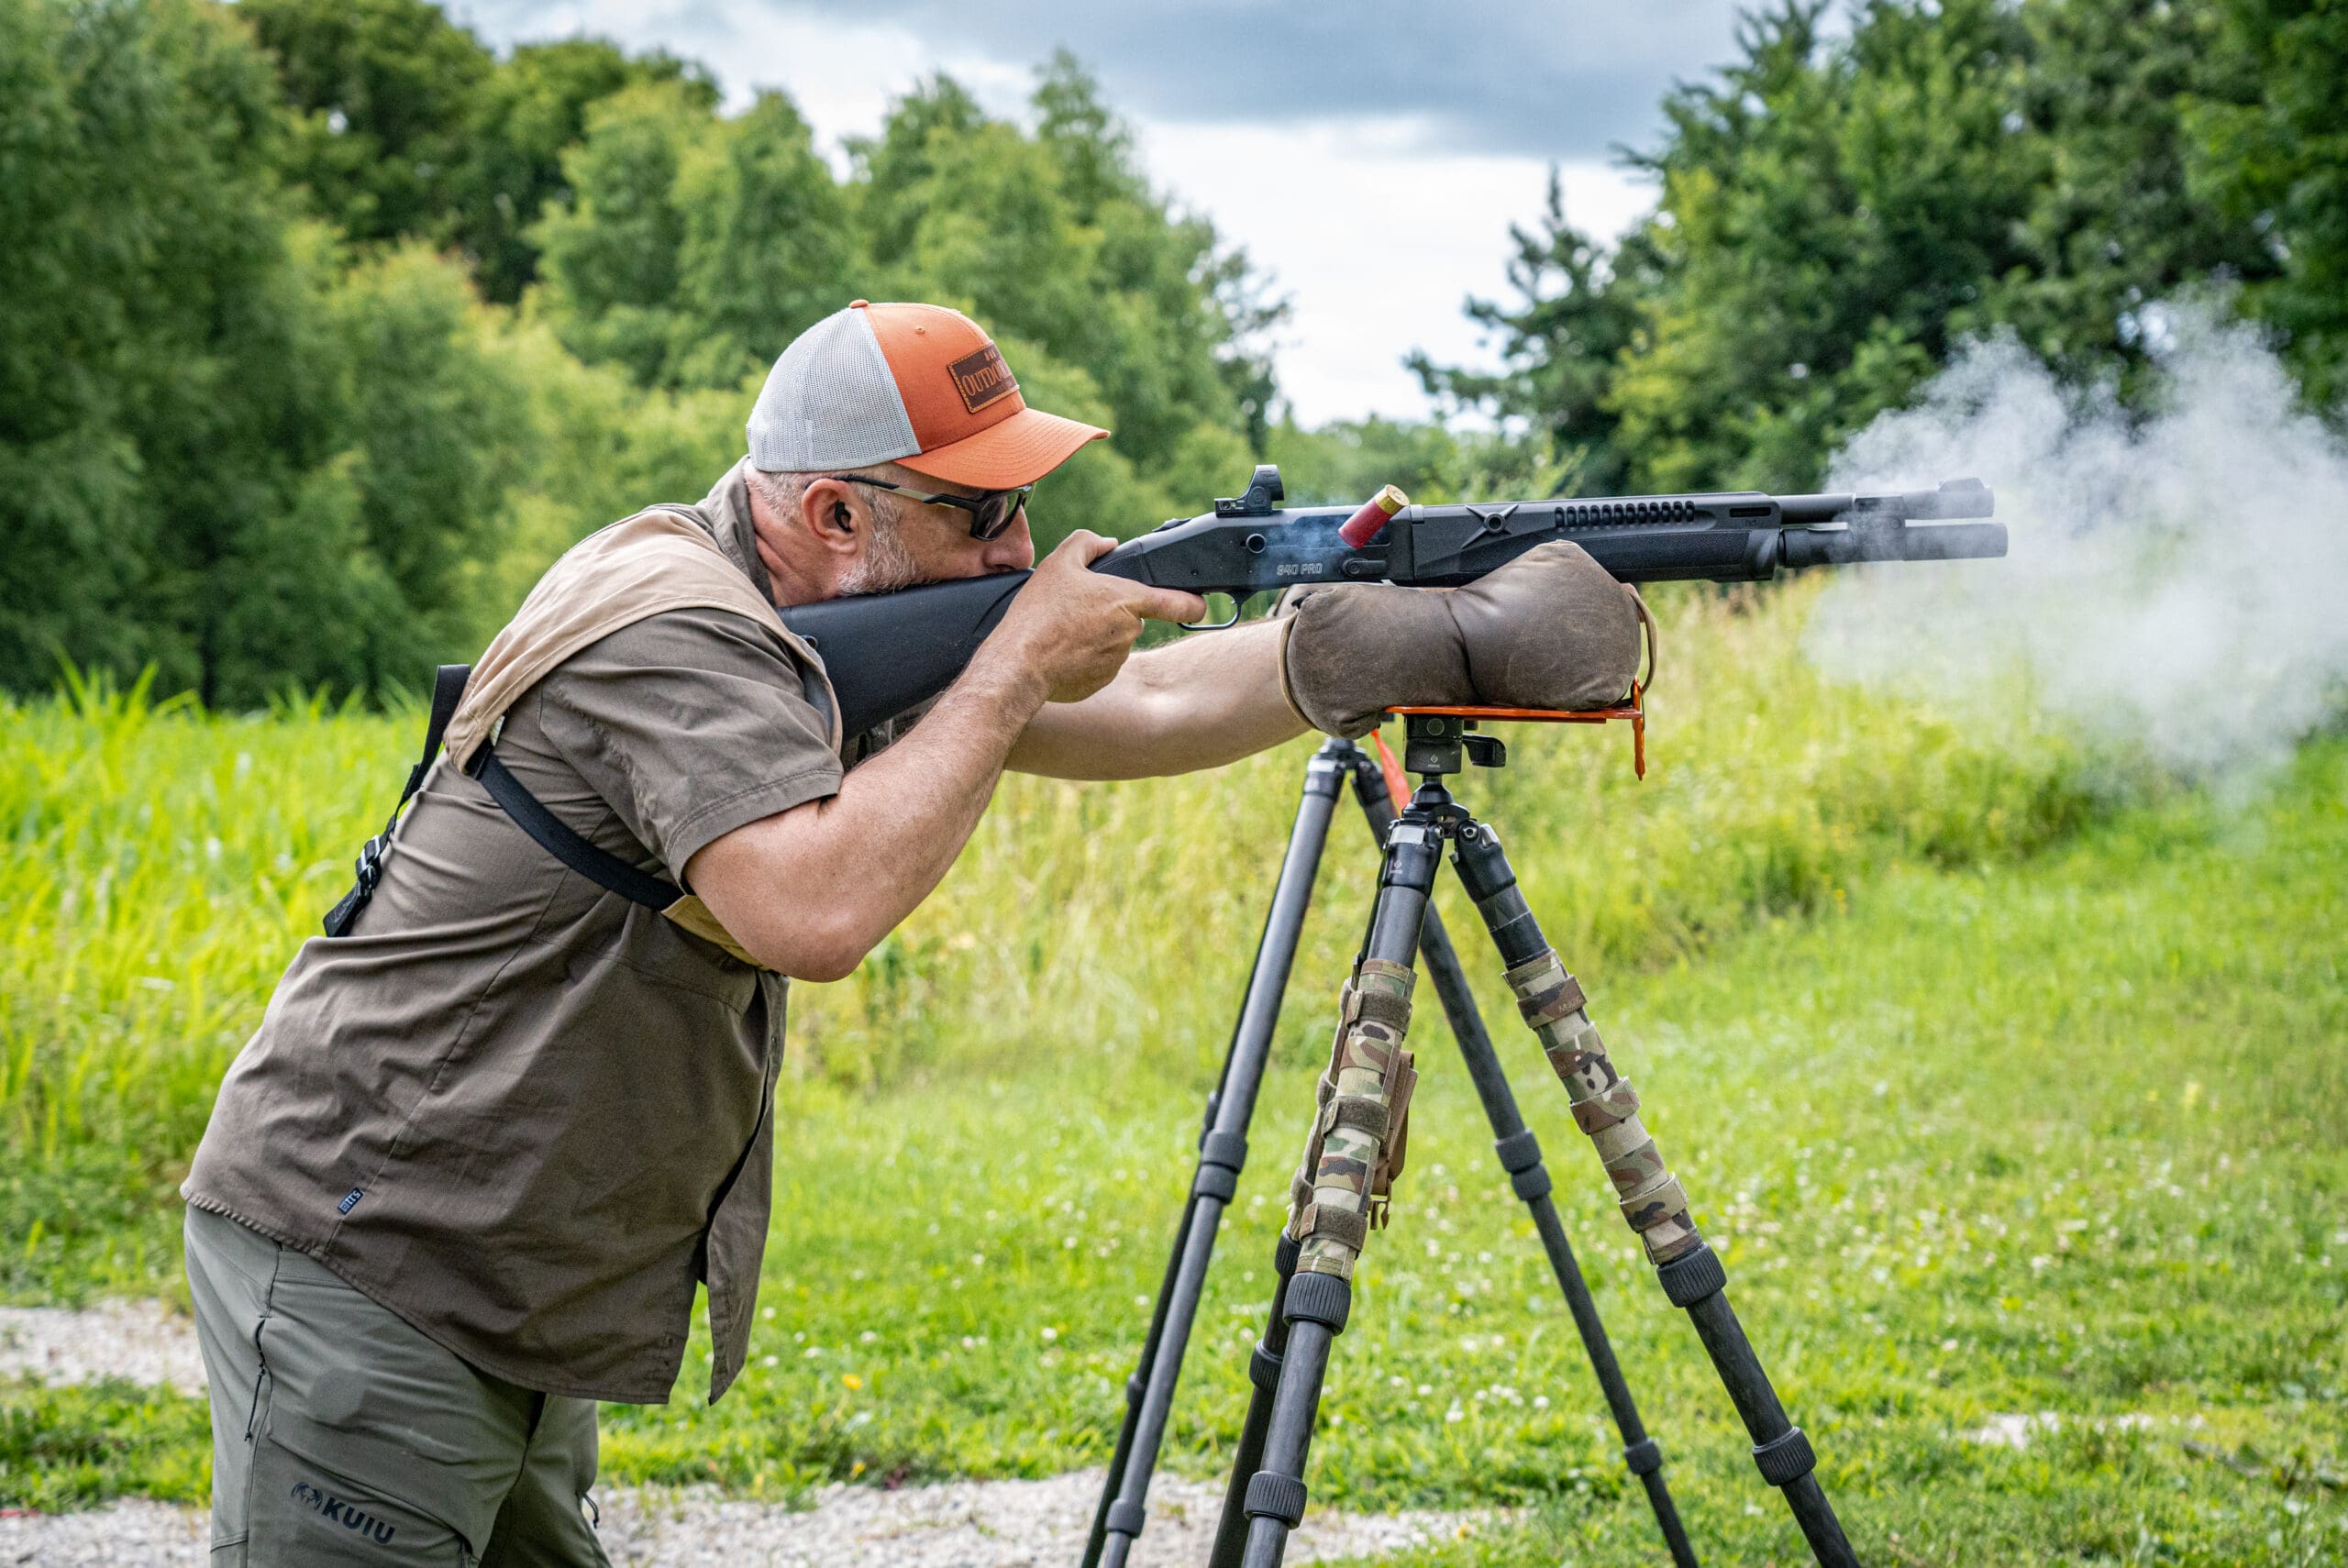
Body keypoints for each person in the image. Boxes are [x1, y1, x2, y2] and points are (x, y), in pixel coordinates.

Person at [178, 300, 1642, 1566]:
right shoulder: (668, 627)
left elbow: (1149, 703)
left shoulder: (820, 611)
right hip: (368, 1263)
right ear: (832, 515)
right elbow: (812, 909)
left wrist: (1394, 628)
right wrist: (1011, 668)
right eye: (982, 515)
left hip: (496, 1278)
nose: (1018, 544)